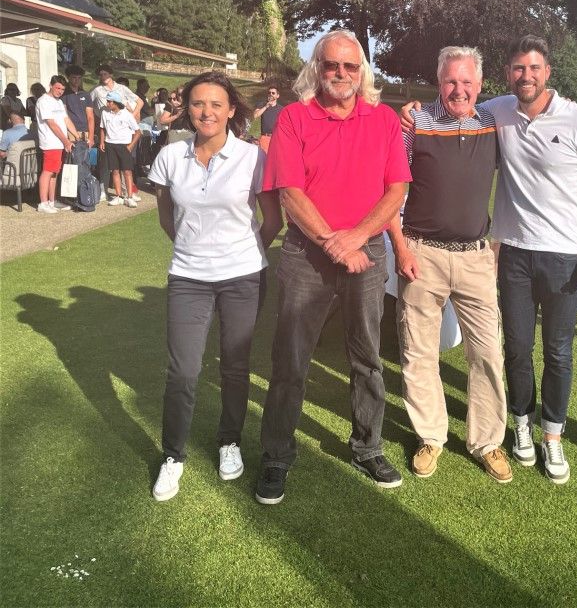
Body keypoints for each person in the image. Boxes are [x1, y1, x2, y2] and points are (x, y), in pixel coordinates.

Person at [255, 29, 410, 504]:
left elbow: (397, 190)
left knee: (367, 357)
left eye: (349, 66)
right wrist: (334, 244)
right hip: (307, 255)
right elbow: (289, 192)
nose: (340, 73)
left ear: (361, 71)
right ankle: (276, 455)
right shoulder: (294, 118)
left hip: (367, 252)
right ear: (317, 68)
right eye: (331, 65)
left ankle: (367, 447)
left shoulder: (383, 119)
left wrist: (357, 237)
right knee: (290, 359)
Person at [484, 36, 577, 485]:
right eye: (518, 68)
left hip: (565, 257)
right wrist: (414, 111)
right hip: (515, 254)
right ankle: (522, 424)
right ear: (509, 73)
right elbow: (455, 106)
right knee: (517, 348)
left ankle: (553, 435)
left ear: (548, 72)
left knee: (558, 351)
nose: (526, 76)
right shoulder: (498, 110)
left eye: (534, 68)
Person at [147, 71, 281, 502]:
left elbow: (272, 220)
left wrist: (243, 254)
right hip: (188, 277)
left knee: (235, 366)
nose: (206, 112)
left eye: (216, 104)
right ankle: (173, 456)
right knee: (183, 370)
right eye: (198, 103)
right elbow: (167, 216)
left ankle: (229, 441)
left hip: (243, 276)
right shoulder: (170, 156)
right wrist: (194, 249)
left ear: (231, 110)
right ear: (187, 108)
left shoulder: (253, 157)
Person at [387, 46, 512, 483]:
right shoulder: (416, 122)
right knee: (418, 350)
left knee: (488, 352)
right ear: (439, 83)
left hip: (476, 257)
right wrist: (400, 248)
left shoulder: (493, 122)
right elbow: (390, 187)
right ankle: (430, 436)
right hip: (422, 253)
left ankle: (487, 442)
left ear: (480, 84)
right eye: (450, 81)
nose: (459, 90)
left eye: (466, 82)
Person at [90, 64, 143, 202]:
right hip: (106, 126)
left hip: (122, 129)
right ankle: (104, 190)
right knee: (107, 163)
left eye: (105, 74)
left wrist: (132, 116)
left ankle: (127, 192)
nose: (103, 77)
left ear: (111, 74)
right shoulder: (97, 90)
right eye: (101, 74)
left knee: (125, 166)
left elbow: (140, 102)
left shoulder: (122, 88)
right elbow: (88, 105)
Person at [34, 75, 78, 213]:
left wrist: (77, 136)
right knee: (47, 171)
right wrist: (66, 141)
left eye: (62, 89)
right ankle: (43, 203)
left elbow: (66, 120)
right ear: (51, 86)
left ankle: (52, 201)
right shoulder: (43, 101)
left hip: (59, 143)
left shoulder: (58, 102)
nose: (60, 91)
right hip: (50, 142)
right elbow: (51, 124)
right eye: (58, 88)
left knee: (55, 172)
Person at [99, 90, 141, 207]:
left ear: (116, 102)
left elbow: (138, 132)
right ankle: (119, 196)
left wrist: (130, 146)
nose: (107, 104)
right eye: (107, 101)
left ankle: (130, 196)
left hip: (124, 145)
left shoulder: (126, 114)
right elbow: (102, 128)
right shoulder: (105, 113)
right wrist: (102, 141)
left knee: (127, 171)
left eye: (110, 102)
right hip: (110, 144)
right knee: (115, 171)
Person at [63, 65, 95, 146]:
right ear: (68, 77)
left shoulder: (86, 94)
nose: (77, 80)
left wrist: (91, 137)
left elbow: (90, 117)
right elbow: (64, 116)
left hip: (85, 133)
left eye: (79, 78)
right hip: (70, 132)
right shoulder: (64, 94)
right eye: (74, 77)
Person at [252, 85, 283, 153]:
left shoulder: (281, 109)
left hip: (276, 138)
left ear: (277, 96)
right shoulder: (262, 104)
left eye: (273, 93)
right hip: (265, 137)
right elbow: (255, 115)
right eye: (269, 93)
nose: (271, 94)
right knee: (264, 158)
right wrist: (266, 106)